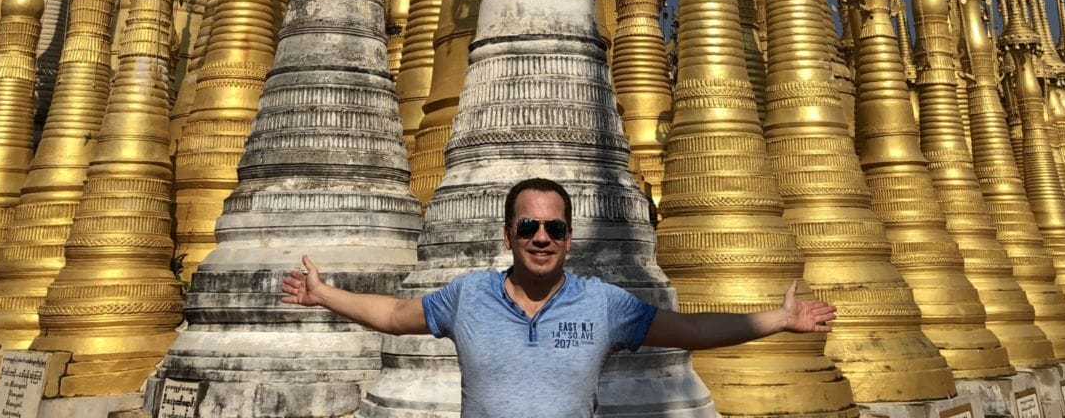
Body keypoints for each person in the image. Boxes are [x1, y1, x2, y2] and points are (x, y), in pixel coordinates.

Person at [281, 177, 835, 418]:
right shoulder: (468, 297)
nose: (540, 238)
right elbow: (397, 317)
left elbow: (690, 333)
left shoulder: (604, 305)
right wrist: (325, 294)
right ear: (508, 236)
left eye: (552, 228)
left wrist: (778, 319)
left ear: (568, 238)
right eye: (527, 228)